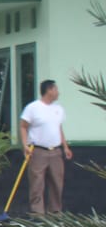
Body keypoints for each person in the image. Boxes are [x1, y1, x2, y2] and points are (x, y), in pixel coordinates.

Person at [19, 79, 72, 214]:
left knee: (57, 184)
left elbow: (59, 128)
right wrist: (25, 145)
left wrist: (65, 147)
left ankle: (55, 214)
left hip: (55, 151)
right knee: (37, 184)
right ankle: (38, 216)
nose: (58, 92)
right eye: (56, 89)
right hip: (37, 151)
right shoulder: (32, 108)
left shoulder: (58, 109)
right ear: (49, 90)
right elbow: (23, 126)